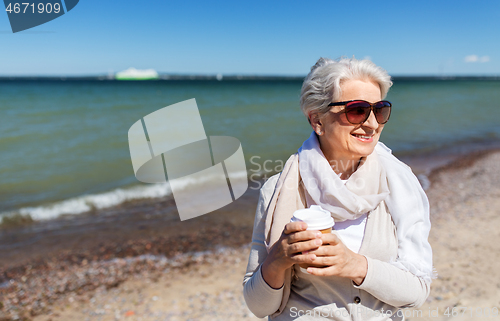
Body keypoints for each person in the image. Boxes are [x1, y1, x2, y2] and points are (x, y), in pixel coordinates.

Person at [243, 57, 434, 320]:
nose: (372, 124)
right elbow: (259, 307)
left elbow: (418, 291)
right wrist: (278, 258)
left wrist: (354, 265)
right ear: (317, 120)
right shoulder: (277, 190)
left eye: (379, 110)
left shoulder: (398, 183)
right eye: (356, 110)